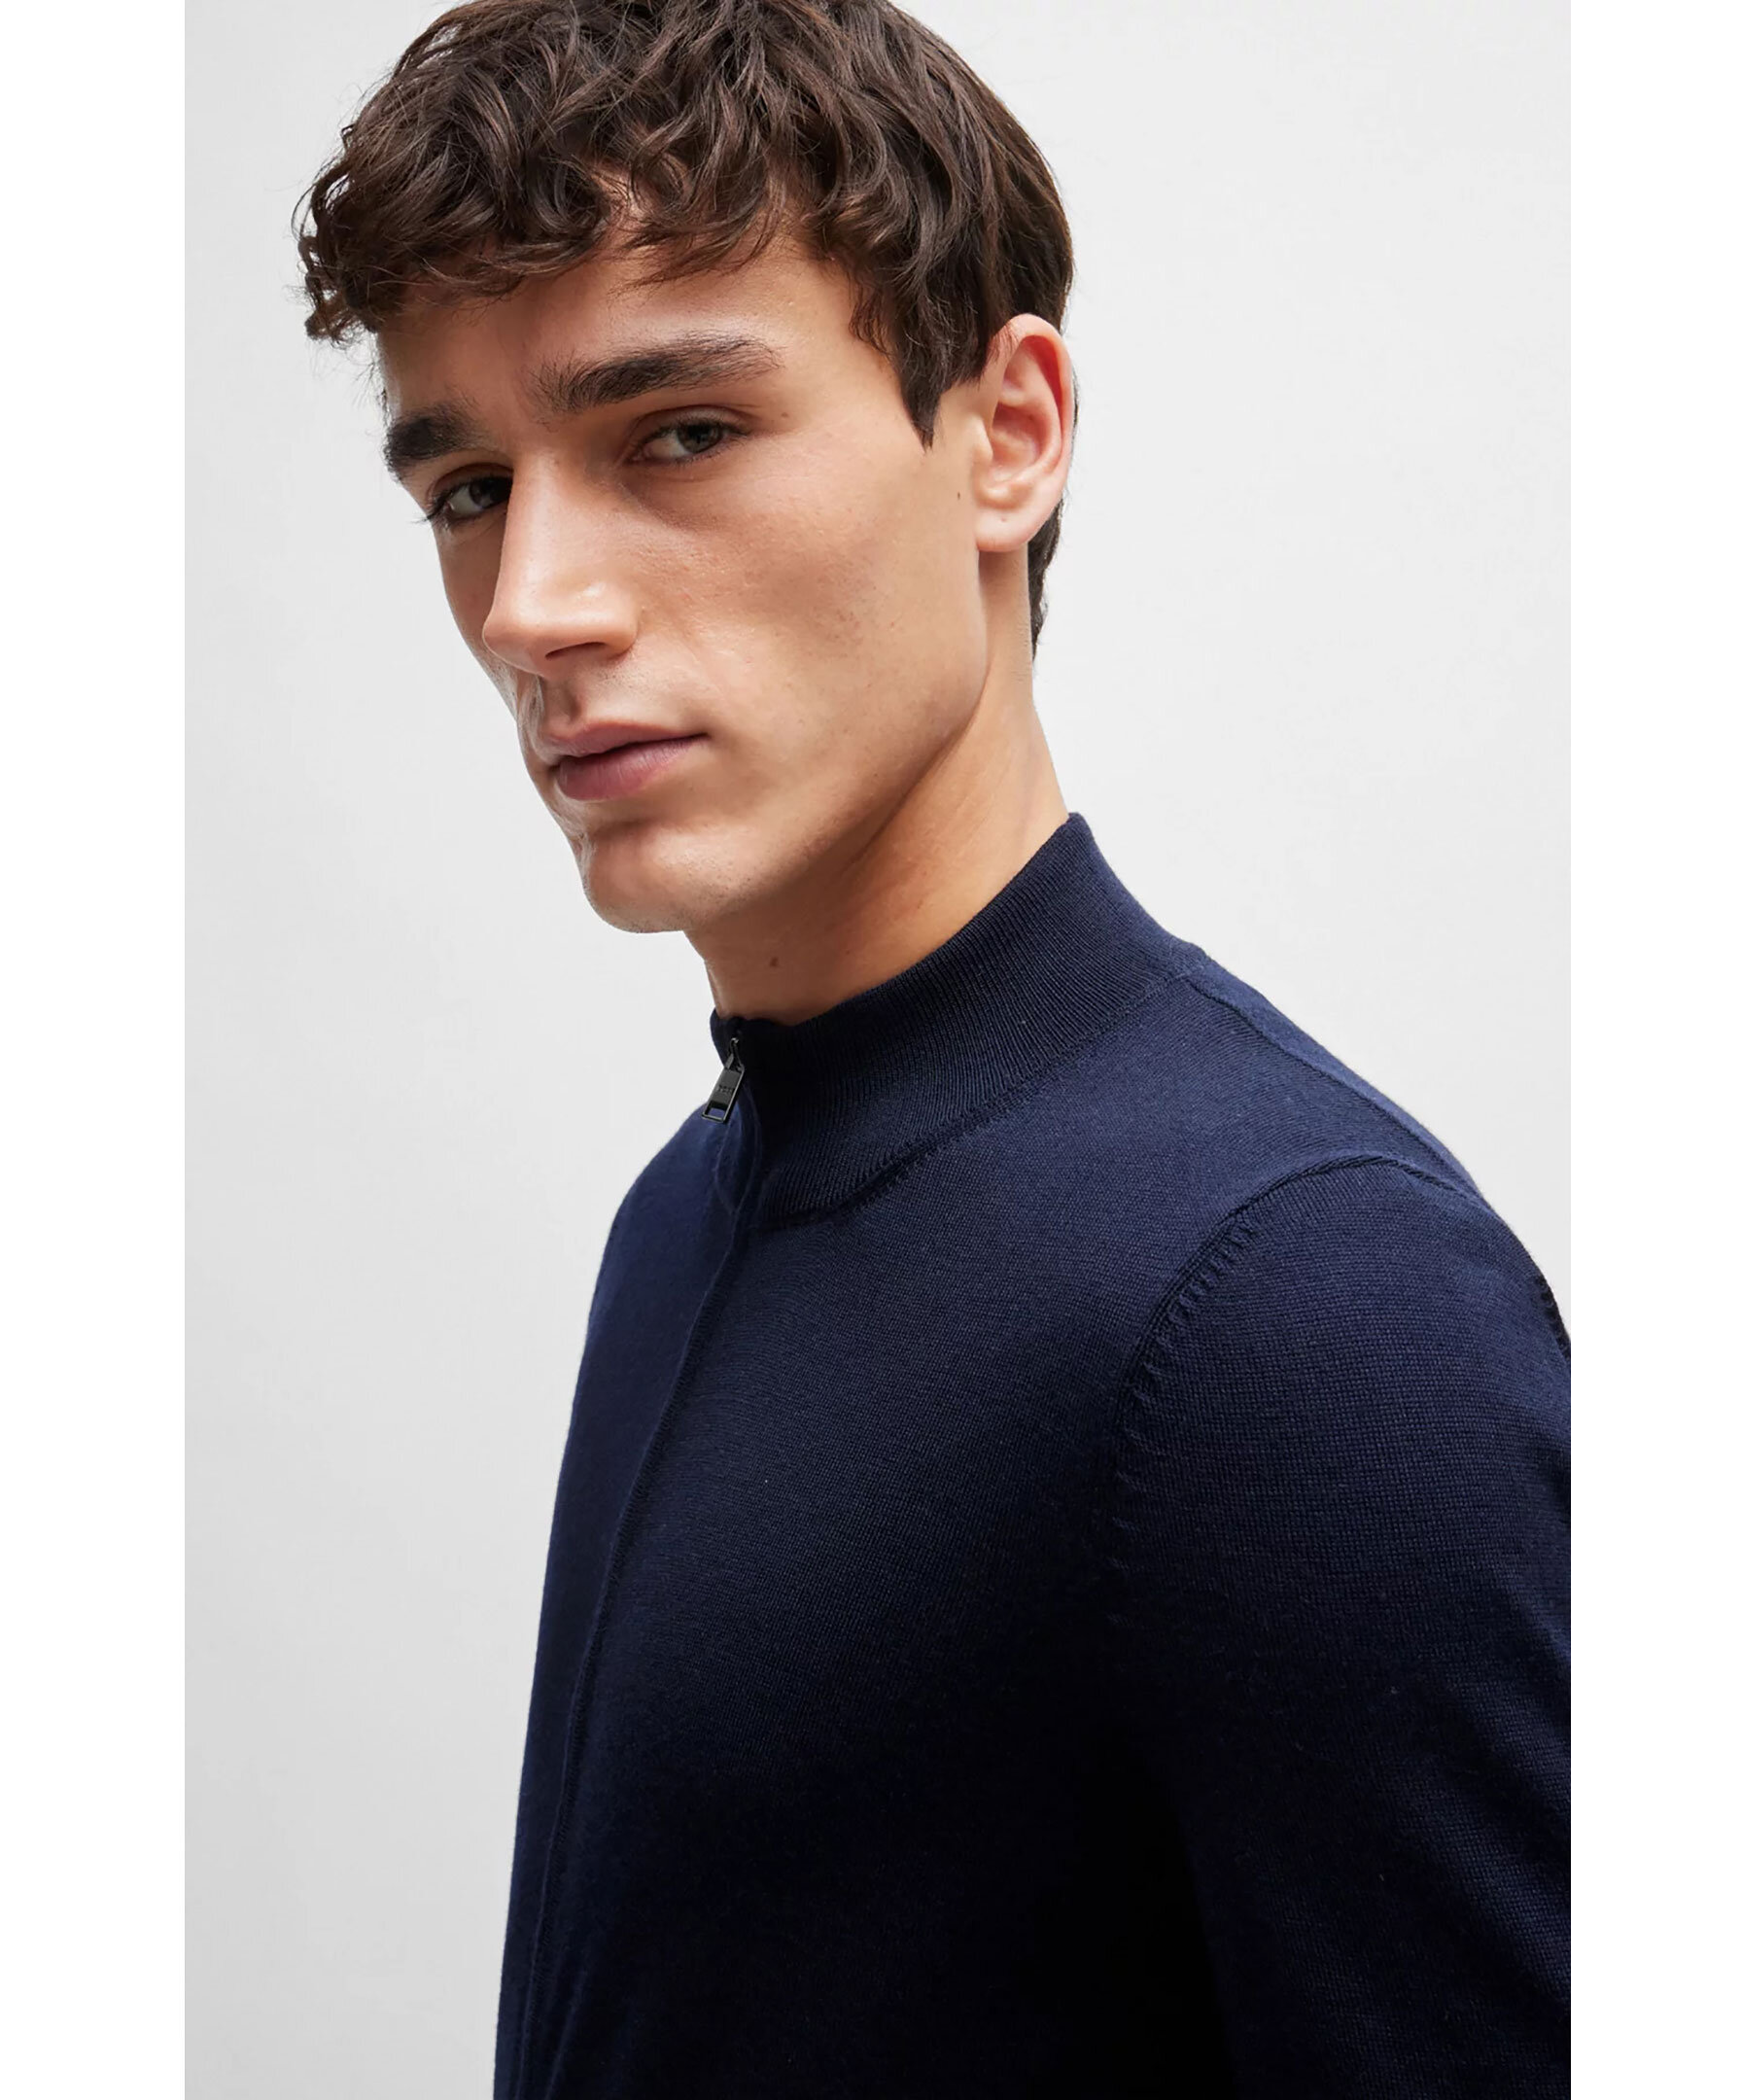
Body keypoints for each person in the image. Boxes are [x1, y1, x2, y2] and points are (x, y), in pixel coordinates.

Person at [296, 2, 1570, 2093]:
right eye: (468, 485)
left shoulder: (1302, 1310)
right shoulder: (683, 1212)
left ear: (1008, 433)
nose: (532, 603)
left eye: (677, 434)